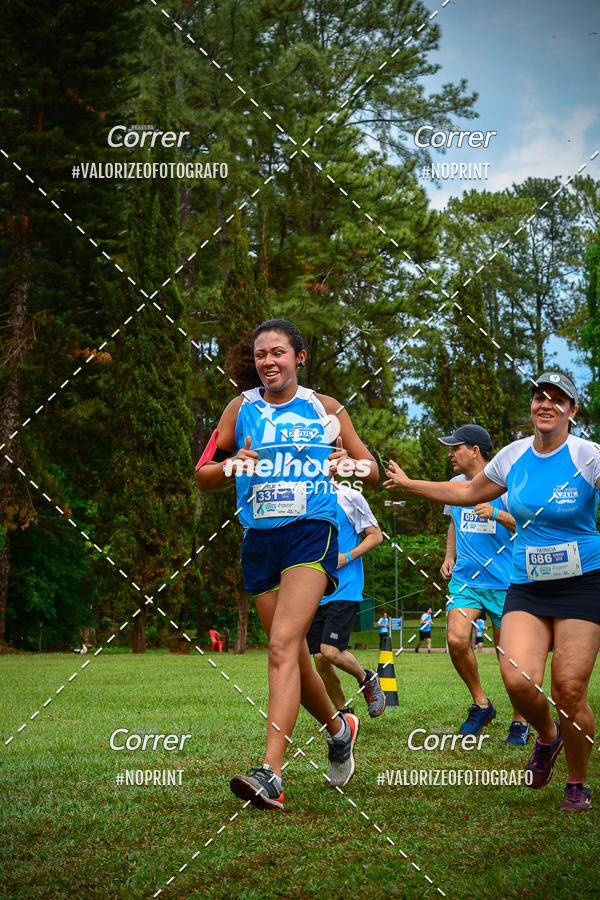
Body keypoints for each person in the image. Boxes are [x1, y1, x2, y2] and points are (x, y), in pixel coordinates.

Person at [384, 373, 600, 812]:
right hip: (527, 585)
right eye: (539, 397)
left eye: (558, 399)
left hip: (581, 584)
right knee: (518, 680)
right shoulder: (513, 456)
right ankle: (549, 737)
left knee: (568, 689)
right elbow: (466, 491)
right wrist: (409, 485)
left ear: (572, 411)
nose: (546, 404)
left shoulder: (588, 456)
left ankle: (577, 782)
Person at [196, 319, 378, 810]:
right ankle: (340, 729)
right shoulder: (239, 409)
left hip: (310, 534)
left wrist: (346, 465)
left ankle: (271, 774)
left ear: (299, 357)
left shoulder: (327, 408)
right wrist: (233, 465)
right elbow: (203, 473)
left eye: (278, 352)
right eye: (261, 355)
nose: (268, 362)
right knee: (293, 656)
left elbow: (371, 469)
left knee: (280, 645)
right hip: (259, 541)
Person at [437, 424, 529, 745]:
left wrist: (496, 513)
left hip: (506, 582)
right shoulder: (455, 486)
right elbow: (453, 522)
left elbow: (528, 525)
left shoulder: (507, 485)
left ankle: (520, 719)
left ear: (475, 451)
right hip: (466, 580)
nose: (451, 454)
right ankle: (481, 704)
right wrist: (449, 556)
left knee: (510, 659)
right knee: (456, 638)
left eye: (456, 448)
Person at [307, 484, 386, 719]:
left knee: (330, 651)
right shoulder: (299, 498)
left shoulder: (350, 496)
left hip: (345, 587)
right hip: (314, 589)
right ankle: (343, 712)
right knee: (320, 658)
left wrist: (347, 556)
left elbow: (376, 536)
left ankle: (367, 678)